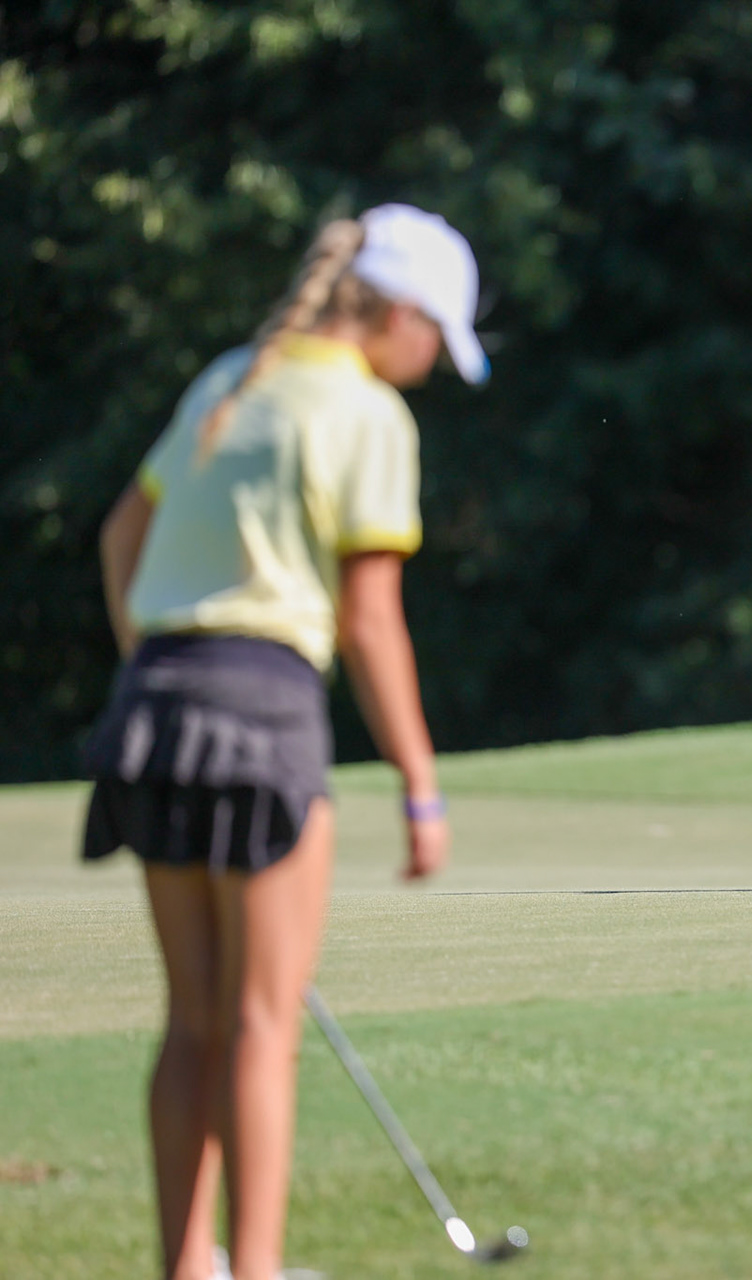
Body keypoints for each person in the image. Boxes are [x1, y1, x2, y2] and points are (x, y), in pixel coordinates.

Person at [83, 204, 489, 1280]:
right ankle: (254, 1268)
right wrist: (421, 786)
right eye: (437, 340)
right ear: (399, 315)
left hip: (152, 703)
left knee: (193, 1022)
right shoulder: (369, 414)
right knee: (262, 1024)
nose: (433, 366)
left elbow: (121, 539)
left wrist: (152, 671)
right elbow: (370, 620)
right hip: (262, 706)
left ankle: (189, 1268)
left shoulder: (231, 376)